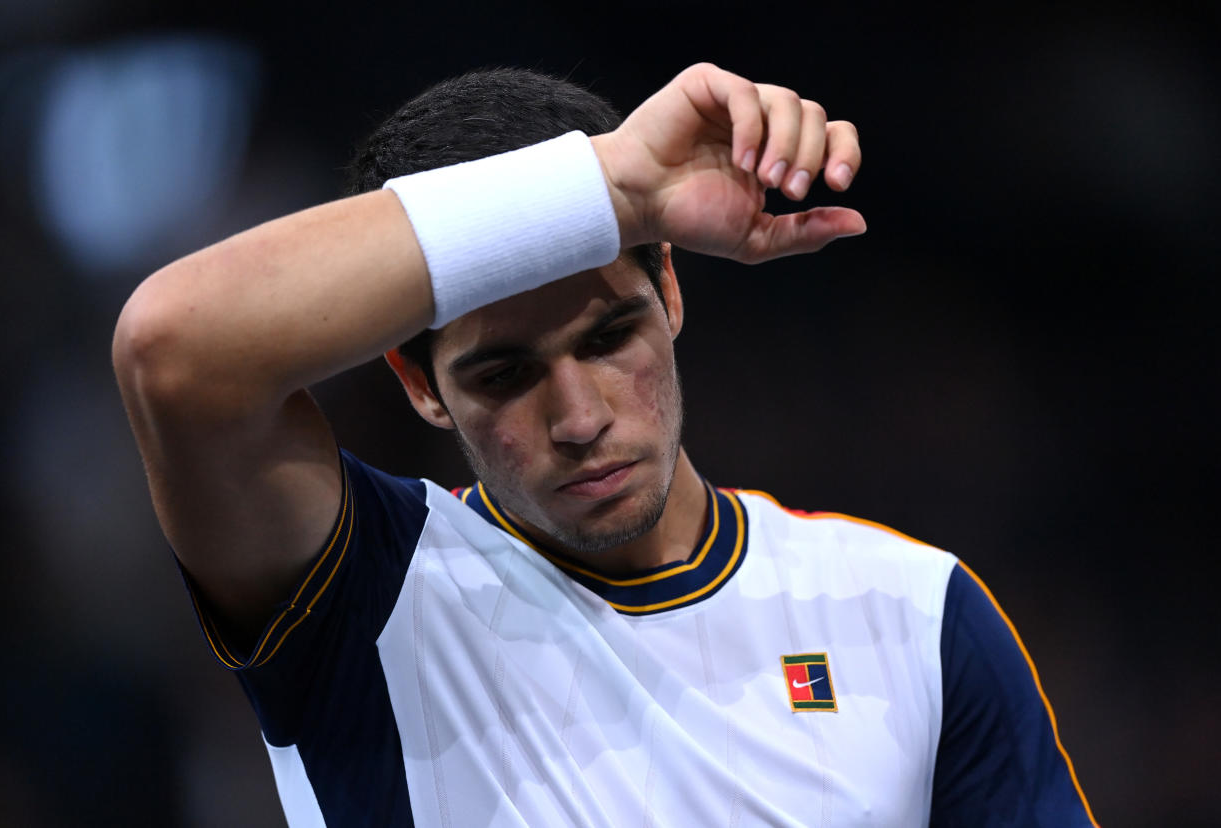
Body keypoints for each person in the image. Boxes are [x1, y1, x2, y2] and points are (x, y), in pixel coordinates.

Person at [113, 63, 1097, 827]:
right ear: (420, 385)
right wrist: (621, 183)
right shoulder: (367, 596)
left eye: (608, 336)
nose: (579, 417)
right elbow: (174, 353)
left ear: (670, 292)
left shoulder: (913, 611)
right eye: (505, 375)